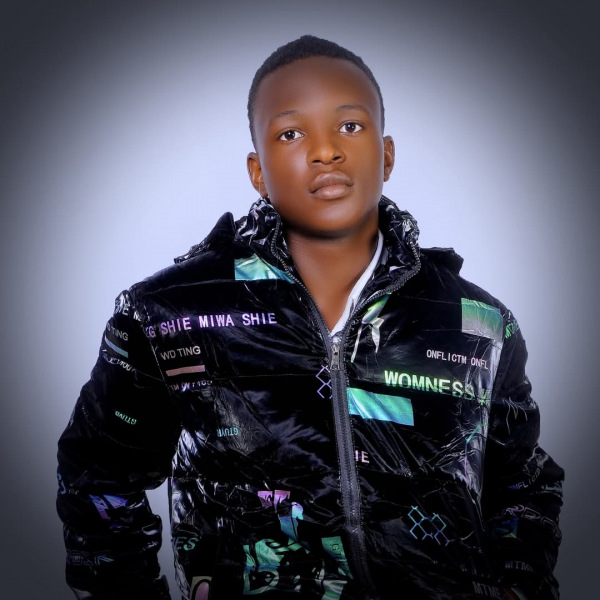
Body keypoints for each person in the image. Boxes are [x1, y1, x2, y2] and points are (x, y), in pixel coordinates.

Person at [56, 35, 564, 600]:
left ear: (387, 155)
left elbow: (522, 483)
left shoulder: (479, 323)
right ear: (258, 171)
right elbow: (97, 474)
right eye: (291, 134)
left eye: (349, 125)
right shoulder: (169, 313)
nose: (326, 151)